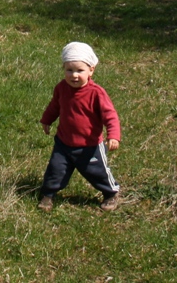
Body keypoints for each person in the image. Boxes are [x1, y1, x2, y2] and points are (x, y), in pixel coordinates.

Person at [38, 41, 122, 212]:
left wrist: (113, 135)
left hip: (89, 146)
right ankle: (48, 195)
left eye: (80, 70)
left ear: (91, 70)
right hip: (64, 143)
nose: (74, 75)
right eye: (69, 70)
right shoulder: (62, 88)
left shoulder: (96, 93)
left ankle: (111, 193)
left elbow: (110, 114)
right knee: (55, 169)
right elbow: (55, 106)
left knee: (97, 172)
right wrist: (47, 119)